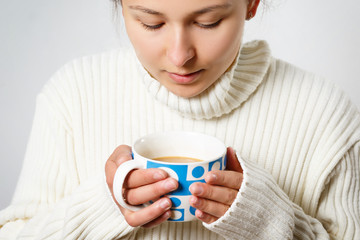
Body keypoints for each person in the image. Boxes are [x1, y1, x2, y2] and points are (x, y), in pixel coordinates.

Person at [0, 0, 359, 239]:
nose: (179, 56)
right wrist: (103, 207)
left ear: (251, 3)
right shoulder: (73, 97)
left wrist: (269, 221)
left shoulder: (326, 116)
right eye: (151, 23)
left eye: (208, 22)